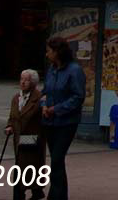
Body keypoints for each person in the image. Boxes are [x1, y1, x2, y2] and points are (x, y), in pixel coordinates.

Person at [42, 37, 85, 200]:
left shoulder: (74, 71)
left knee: (57, 158)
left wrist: (57, 109)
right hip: (49, 120)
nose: (47, 55)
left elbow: (78, 96)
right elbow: (45, 90)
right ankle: (60, 194)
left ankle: (56, 195)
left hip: (66, 122)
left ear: (57, 52)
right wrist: (44, 105)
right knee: (55, 159)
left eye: (49, 51)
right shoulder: (51, 70)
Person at [6, 69, 46, 200]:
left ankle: (34, 192)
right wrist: (9, 126)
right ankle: (25, 193)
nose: (22, 82)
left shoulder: (39, 98)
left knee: (29, 166)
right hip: (19, 138)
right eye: (21, 79)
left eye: (26, 80)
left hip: (32, 137)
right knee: (20, 165)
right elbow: (12, 116)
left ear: (33, 83)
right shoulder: (16, 98)